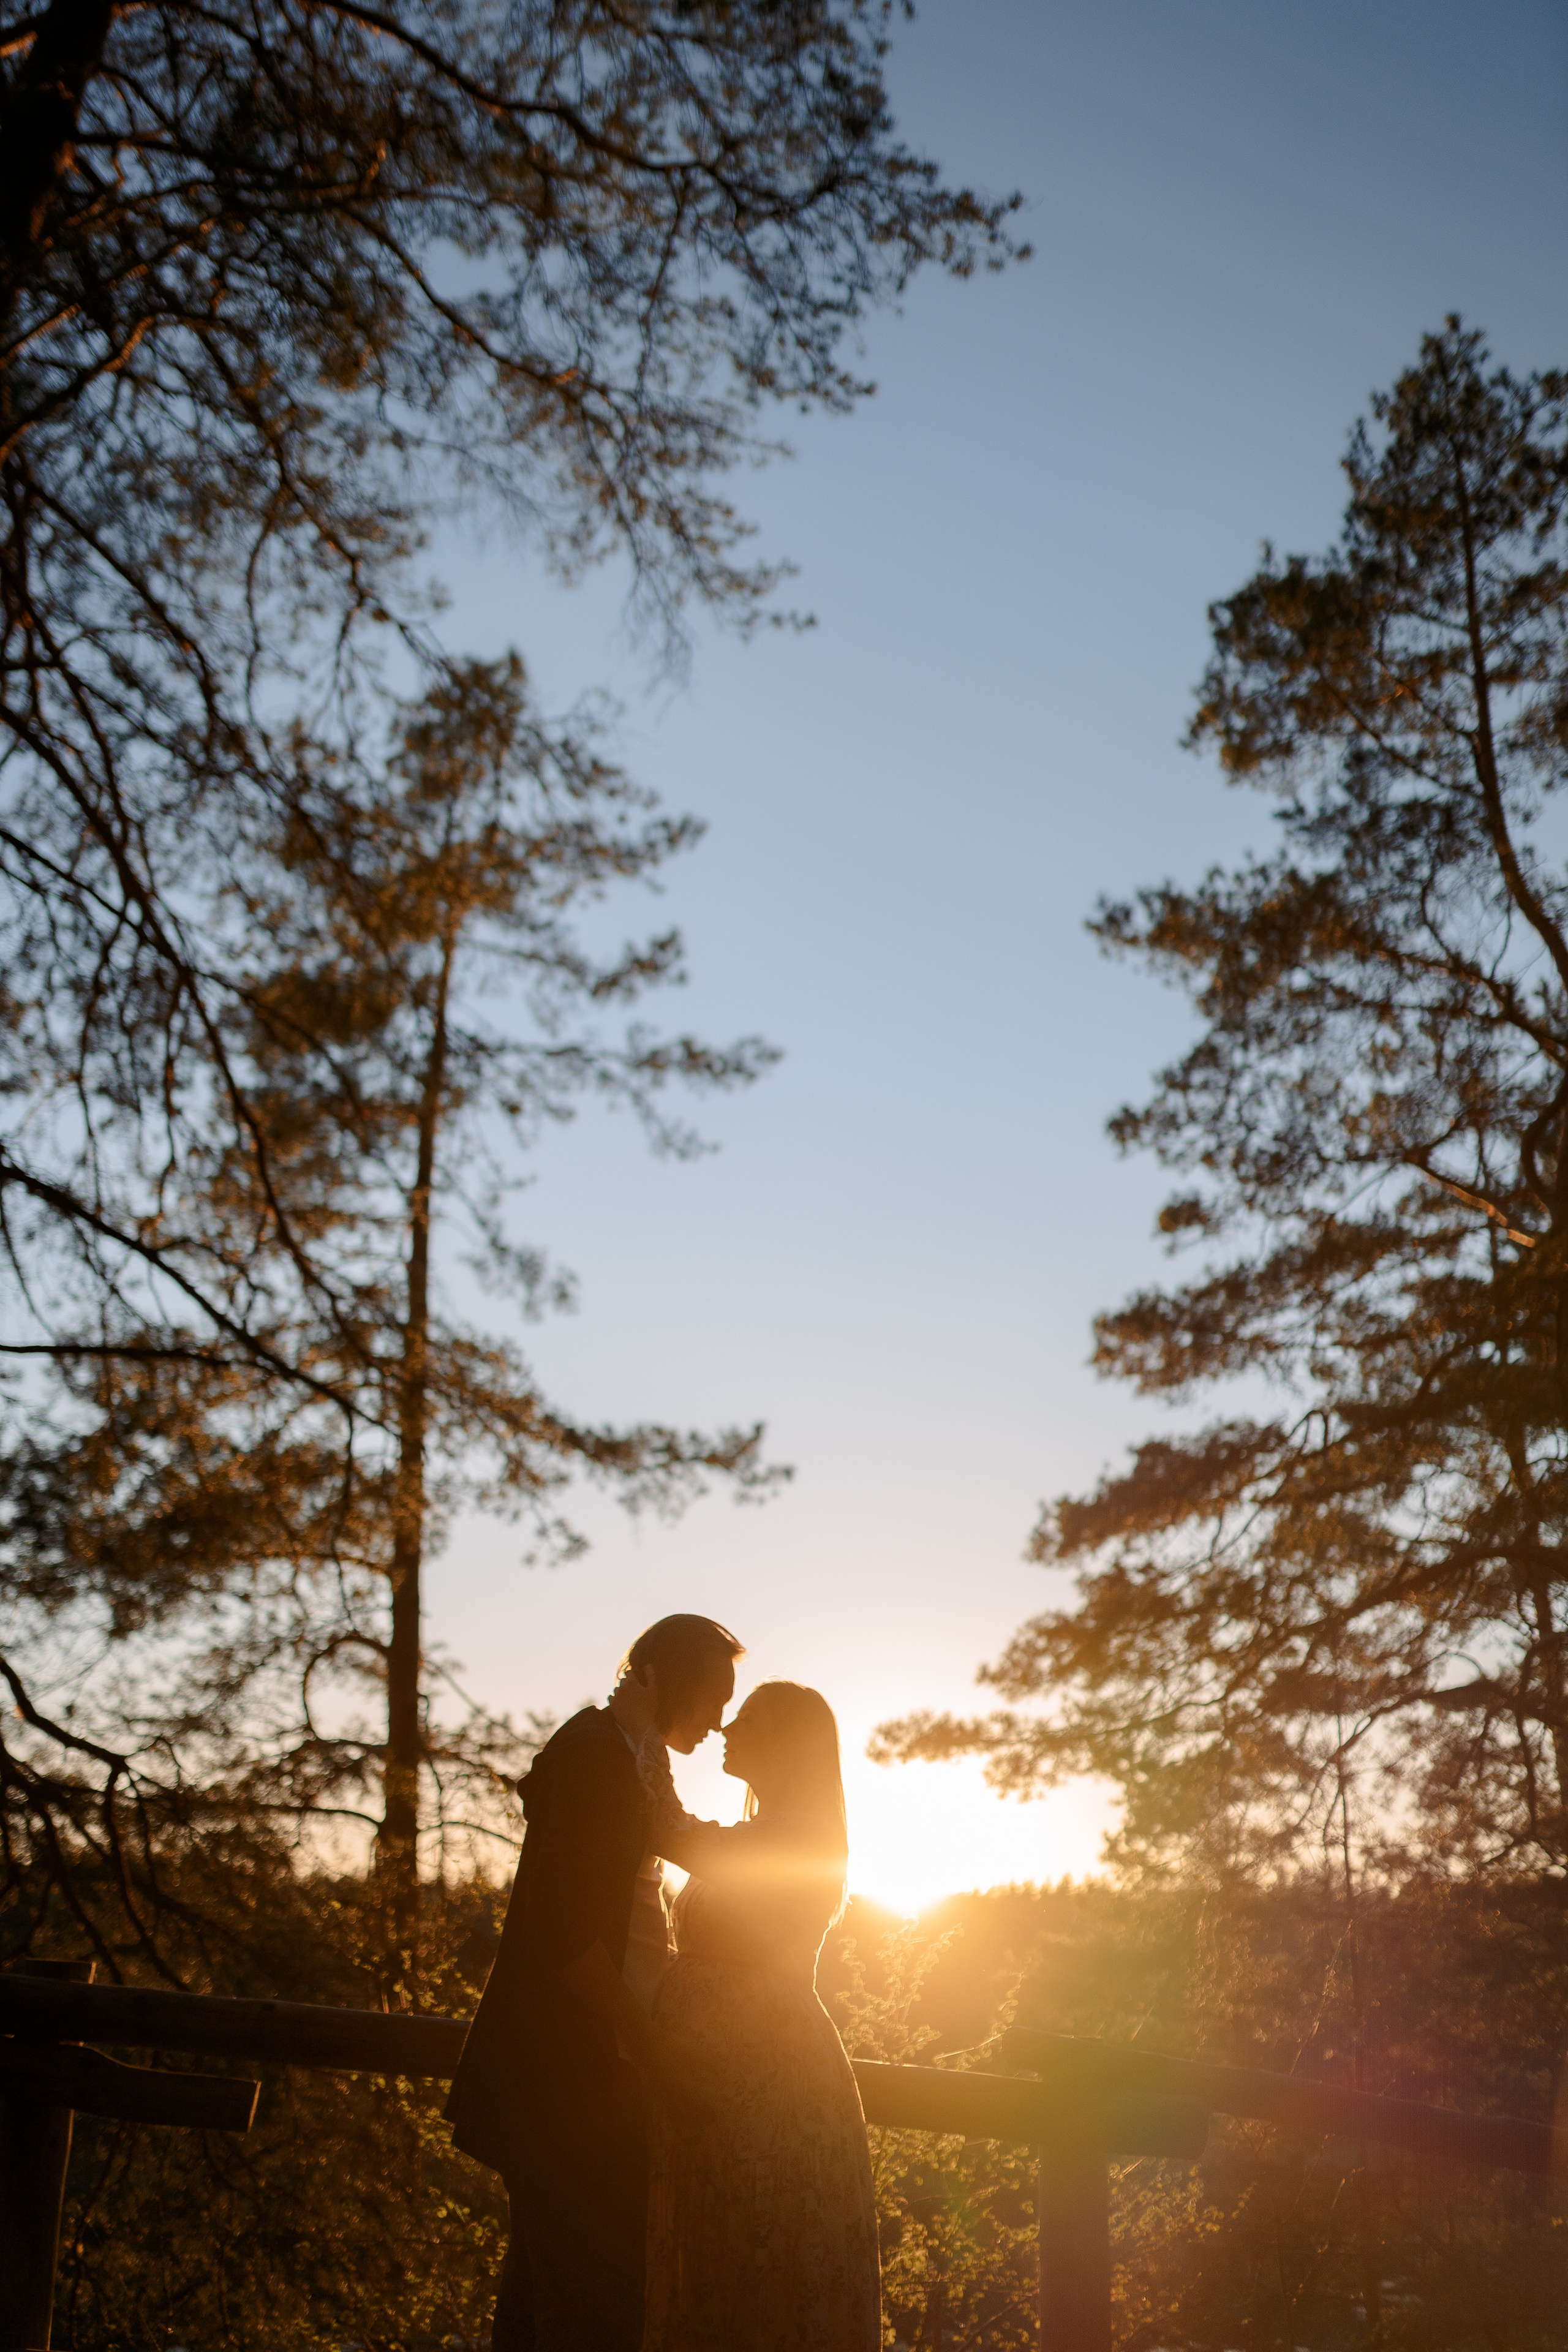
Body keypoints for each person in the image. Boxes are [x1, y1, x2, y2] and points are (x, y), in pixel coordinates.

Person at [445, 1613, 744, 2352]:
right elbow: (563, 1933)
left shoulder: (630, 1754)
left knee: (548, 2299)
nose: (718, 1722)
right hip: (569, 2077)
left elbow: (671, 1843)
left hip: (590, 2072)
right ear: (662, 1676)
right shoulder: (595, 1760)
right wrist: (652, 2050)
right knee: (592, 2308)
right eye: (713, 1698)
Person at [626, 1678, 882, 2352]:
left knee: (753, 2253)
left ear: (782, 1745)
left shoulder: (801, 1838)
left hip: (766, 2077)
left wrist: (646, 1731)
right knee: (714, 2251)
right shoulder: (766, 1832)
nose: (725, 1730)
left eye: (744, 1720)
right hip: (721, 2075)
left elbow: (669, 1830)